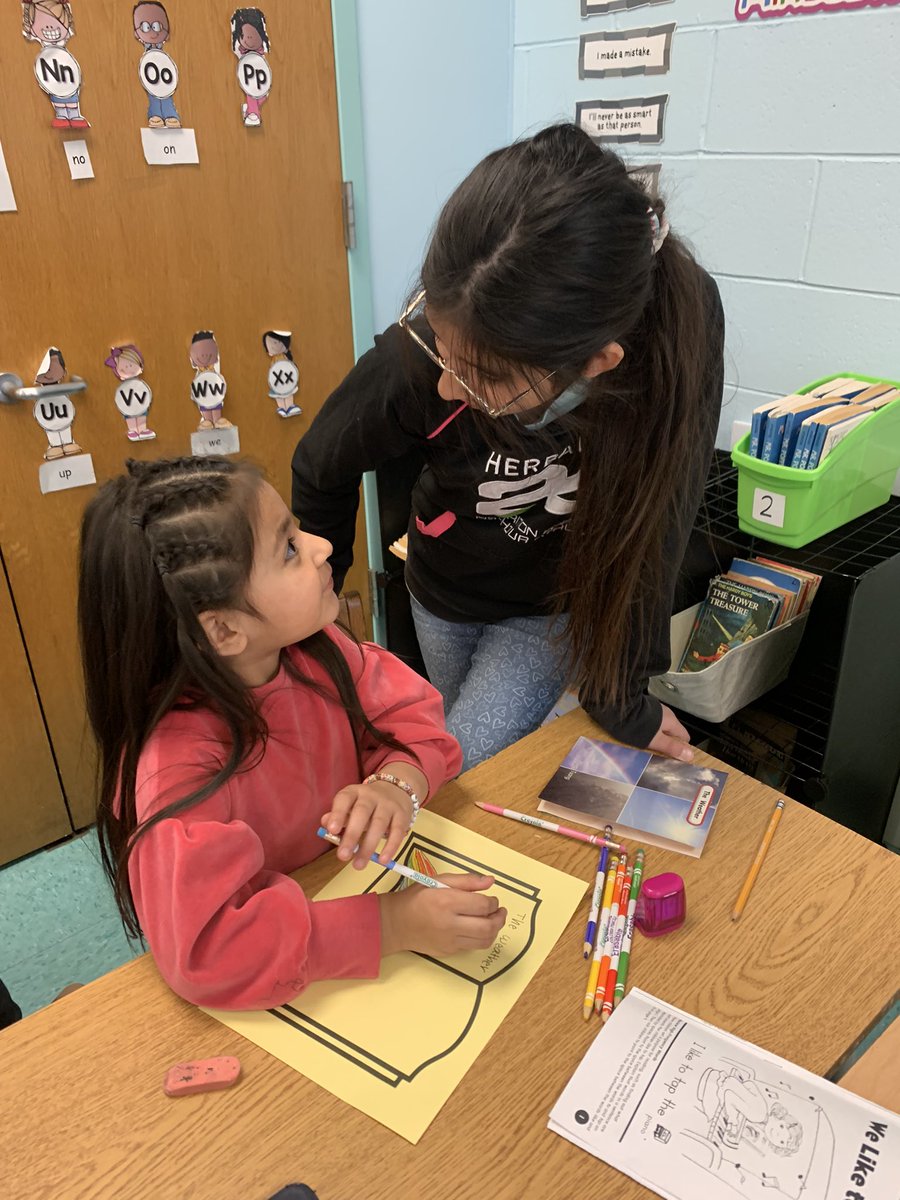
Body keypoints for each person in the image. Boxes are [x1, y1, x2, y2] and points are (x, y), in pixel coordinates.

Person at [292, 123, 725, 771]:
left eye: (483, 377)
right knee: (443, 731)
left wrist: (621, 690)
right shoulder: (428, 351)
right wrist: (309, 622)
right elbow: (321, 463)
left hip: (546, 606)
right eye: (443, 351)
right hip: (441, 586)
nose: (446, 383)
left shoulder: (677, 332)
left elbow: (659, 518)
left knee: (454, 766)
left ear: (597, 362)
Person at [78, 456, 506, 1011]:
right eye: (288, 548)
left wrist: (396, 784)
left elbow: (414, 721)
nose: (321, 546)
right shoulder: (178, 765)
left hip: (334, 892)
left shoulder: (319, 654)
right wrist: (393, 926)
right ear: (225, 629)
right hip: (293, 978)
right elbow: (207, 952)